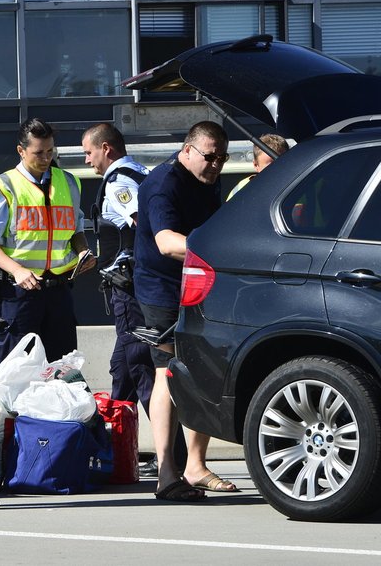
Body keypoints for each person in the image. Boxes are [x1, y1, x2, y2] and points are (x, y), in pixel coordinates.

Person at [135, 120, 237, 502]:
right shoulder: (164, 184)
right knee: (168, 372)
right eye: (210, 156)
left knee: (201, 370)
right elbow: (165, 242)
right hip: (161, 291)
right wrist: (218, 250)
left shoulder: (209, 181)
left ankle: (195, 466)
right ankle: (166, 472)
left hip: (199, 285)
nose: (216, 165)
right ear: (188, 150)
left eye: (222, 158)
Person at [81, 123, 187, 479]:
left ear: (106, 148)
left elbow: (147, 227)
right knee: (121, 370)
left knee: (141, 367)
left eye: (89, 152)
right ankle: (115, 451)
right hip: (139, 287)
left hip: (132, 289)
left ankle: (173, 458)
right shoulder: (142, 171)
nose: (87, 159)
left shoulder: (119, 182)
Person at [0, 118, 96, 364]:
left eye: (50, 151)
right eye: (38, 153)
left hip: (59, 291)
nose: (45, 158)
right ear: (21, 151)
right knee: (17, 373)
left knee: (62, 370)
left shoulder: (70, 182)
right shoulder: (4, 186)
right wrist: (18, 271)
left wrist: (84, 251)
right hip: (18, 293)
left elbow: (76, 230)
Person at [225, 133, 289, 200]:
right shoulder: (242, 191)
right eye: (270, 167)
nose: (277, 170)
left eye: (281, 164)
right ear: (256, 165)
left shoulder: (297, 187)